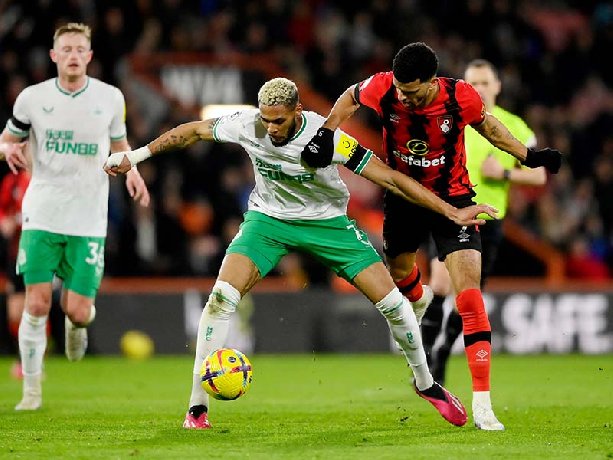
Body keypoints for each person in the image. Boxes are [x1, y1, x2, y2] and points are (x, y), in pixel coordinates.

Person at [105, 77, 499, 430]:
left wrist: (449, 210)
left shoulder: (326, 139)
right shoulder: (247, 124)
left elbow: (390, 177)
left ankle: (427, 385)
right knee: (221, 297)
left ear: (297, 111)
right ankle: (196, 408)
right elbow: (191, 132)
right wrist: (135, 156)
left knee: (395, 305)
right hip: (268, 221)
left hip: (328, 224)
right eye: (266, 119)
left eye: (278, 120)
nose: (270, 128)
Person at [301, 42, 562, 431]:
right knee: (399, 268)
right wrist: (326, 131)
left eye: (412, 91)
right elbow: (350, 97)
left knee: (469, 296)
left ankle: (483, 404)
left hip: (454, 197)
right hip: (404, 196)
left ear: (431, 81)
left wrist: (528, 156)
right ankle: (420, 303)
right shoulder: (385, 87)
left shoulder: (459, 97)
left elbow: (489, 126)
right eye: (401, 90)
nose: (404, 96)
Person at [0, 22, 150, 411]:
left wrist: (132, 170)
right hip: (42, 213)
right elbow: (8, 139)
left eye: (78, 49)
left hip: (88, 218)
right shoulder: (31, 99)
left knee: (78, 310)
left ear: (89, 55)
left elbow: (119, 145)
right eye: (65, 49)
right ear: (53, 56)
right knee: (35, 304)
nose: (71, 55)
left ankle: (75, 324)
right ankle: (32, 392)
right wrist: (7, 149)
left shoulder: (109, 98)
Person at [421, 59, 547, 386]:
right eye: (472, 83)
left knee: (469, 296)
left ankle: (442, 352)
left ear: (497, 86)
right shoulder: (452, 121)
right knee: (439, 286)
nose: (479, 89)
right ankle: (422, 358)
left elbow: (539, 175)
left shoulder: (514, 127)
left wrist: (503, 173)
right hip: (450, 214)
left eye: (484, 83)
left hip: (489, 222)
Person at [0, 167, 31, 379]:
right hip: (16, 254)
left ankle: (30, 360)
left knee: (35, 307)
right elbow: (3, 210)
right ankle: (24, 358)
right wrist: (4, 222)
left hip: (39, 251)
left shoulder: (45, 180)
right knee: (14, 314)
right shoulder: (12, 182)